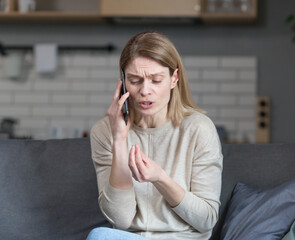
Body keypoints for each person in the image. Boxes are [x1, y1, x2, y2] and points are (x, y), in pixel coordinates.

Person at [87, 31, 223, 240]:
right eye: (134, 80)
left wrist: (160, 178)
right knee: (101, 235)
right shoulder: (104, 131)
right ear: (123, 82)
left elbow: (206, 219)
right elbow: (121, 220)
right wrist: (119, 141)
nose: (145, 90)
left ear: (174, 78)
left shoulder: (199, 129)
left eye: (156, 80)